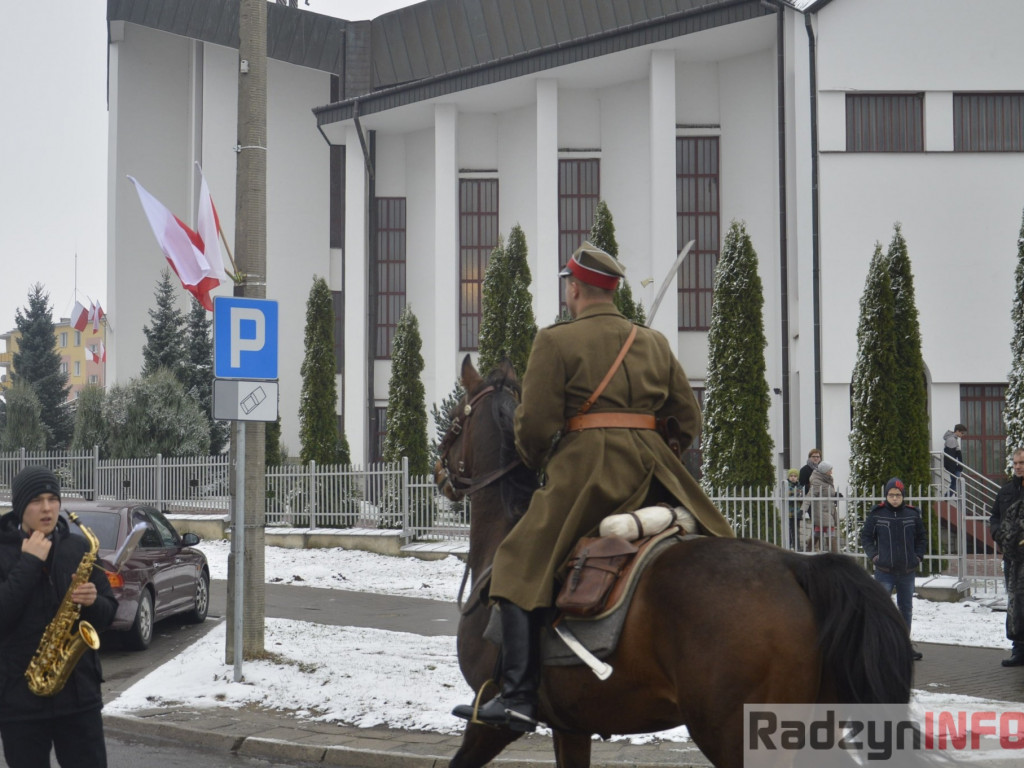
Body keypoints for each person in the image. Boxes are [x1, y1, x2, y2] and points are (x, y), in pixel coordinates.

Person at [452, 242, 734, 732]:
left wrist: (544, 461)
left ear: (576, 289)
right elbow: (689, 419)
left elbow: (536, 427)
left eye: (567, 285)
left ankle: (518, 696)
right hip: (655, 473)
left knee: (517, 561)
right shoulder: (654, 342)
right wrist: (659, 447)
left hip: (588, 475)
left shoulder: (555, 342)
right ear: (613, 291)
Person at [0, 465, 117, 767]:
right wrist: (28, 563)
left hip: (79, 699)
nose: (47, 508)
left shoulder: (78, 548)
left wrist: (94, 602)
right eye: (37, 500)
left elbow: (108, 613)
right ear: (20, 506)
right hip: (19, 701)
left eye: (53, 499)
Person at [860, 477, 927, 661]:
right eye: (891, 495)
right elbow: (866, 537)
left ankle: (904, 645)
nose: (895, 498)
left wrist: (917, 557)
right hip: (884, 572)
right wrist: (874, 556)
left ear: (903, 496)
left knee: (906, 609)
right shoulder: (877, 514)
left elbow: (922, 538)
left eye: (898, 495)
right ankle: (880, 646)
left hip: (906, 571)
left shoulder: (912, 514)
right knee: (881, 609)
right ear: (886, 496)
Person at [990, 448, 1024, 667]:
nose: (1018, 466)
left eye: (1022, 462)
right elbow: (994, 517)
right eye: (1015, 463)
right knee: (1015, 603)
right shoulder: (1005, 492)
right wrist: (1000, 535)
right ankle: (1018, 649)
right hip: (1012, 559)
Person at [802, 460, 838, 552]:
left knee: (817, 532)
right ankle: (835, 554)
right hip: (821, 511)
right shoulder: (817, 481)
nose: (831, 472)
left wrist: (837, 495)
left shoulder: (827, 479)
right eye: (830, 470)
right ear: (825, 471)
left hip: (828, 510)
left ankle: (808, 550)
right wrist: (803, 509)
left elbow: (827, 493)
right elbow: (810, 495)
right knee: (831, 532)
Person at [943, 424, 967, 495]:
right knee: (955, 484)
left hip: (955, 466)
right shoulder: (952, 439)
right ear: (957, 431)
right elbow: (950, 455)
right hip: (954, 467)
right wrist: (954, 468)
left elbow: (955, 454)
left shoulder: (954, 439)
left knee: (956, 483)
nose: (963, 435)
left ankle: (946, 498)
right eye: (962, 433)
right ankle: (946, 498)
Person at [786, 468, 804, 551]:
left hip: (797, 512)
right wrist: (796, 495)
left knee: (796, 530)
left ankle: (794, 546)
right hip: (789, 513)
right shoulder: (786, 485)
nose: (793, 478)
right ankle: (794, 546)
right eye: (791, 476)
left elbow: (802, 497)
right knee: (791, 530)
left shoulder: (800, 486)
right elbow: (788, 495)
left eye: (795, 476)